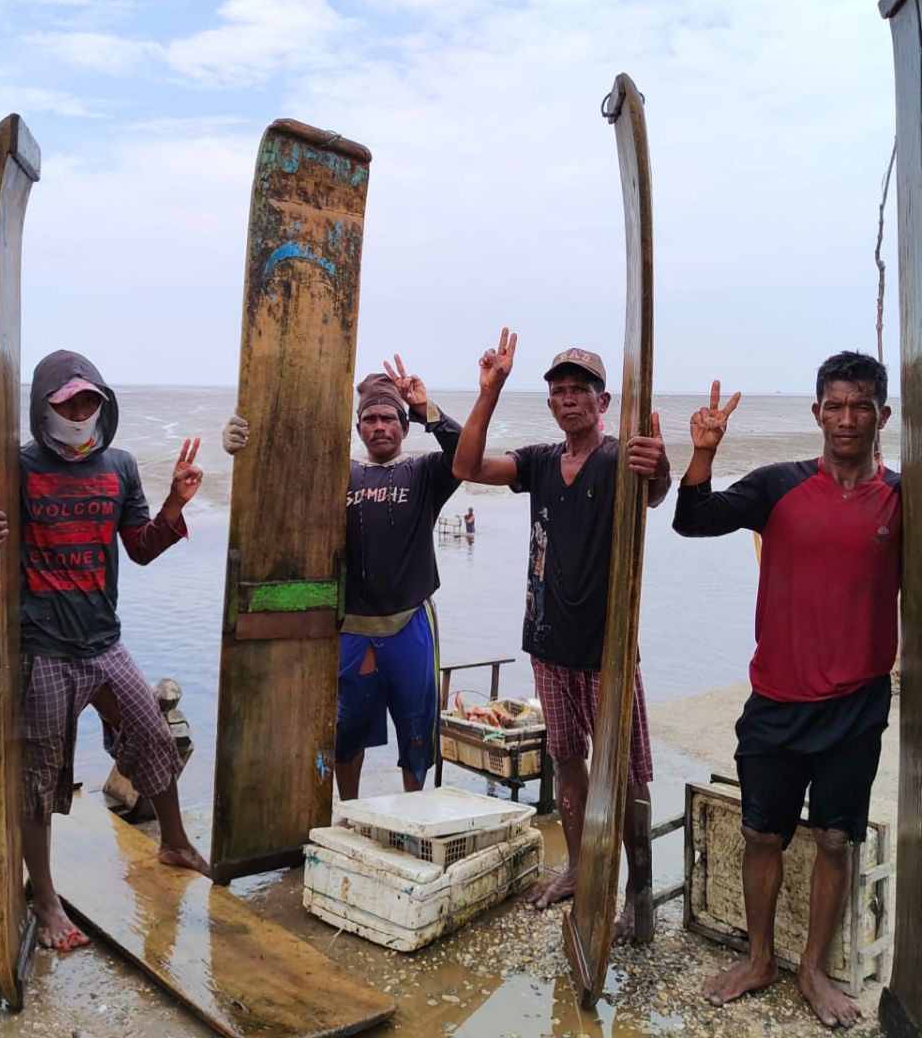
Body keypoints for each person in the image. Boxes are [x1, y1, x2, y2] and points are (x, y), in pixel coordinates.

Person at [672, 354, 899, 1029]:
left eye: (861, 406)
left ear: (883, 415)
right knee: (760, 833)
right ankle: (761, 959)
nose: (848, 418)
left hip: (856, 704)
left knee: (834, 839)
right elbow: (693, 518)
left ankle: (813, 970)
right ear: (817, 413)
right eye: (836, 405)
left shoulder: (902, 499)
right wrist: (703, 452)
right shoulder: (779, 485)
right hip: (776, 698)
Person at [0, 351, 209, 953]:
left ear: (102, 405)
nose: (78, 414)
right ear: (43, 407)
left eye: (88, 403)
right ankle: (45, 897)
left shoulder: (119, 466)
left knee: (154, 736)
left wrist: (175, 504)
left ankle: (175, 842)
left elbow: (141, 548)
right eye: (67, 404)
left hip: (105, 642)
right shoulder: (11, 468)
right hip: (42, 650)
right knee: (39, 778)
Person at [451, 331, 670, 938]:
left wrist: (662, 466)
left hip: (608, 650)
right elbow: (466, 466)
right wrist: (490, 391)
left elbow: (654, 492)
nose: (570, 399)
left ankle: (640, 897)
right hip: (547, 642)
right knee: (567, 760)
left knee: (627, 772)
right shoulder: (543, 461)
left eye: (582, 390)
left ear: (604, 403)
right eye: (561, 391)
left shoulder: (619, 459)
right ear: (550, 403)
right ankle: (577, 866)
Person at [223, 355, 461, 800]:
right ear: (358, 429)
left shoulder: (425, 472)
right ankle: (349, 812)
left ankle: (414, 811)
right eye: (369, 419)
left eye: (388, 418)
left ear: (404, 428)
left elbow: (466, 453)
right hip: (352, 627)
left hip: (410, 622)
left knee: (416, 730)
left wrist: (425, 408)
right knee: (346, 731)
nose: (379, 426)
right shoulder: (338, 475)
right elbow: (277, 482)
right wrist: (242, 447)